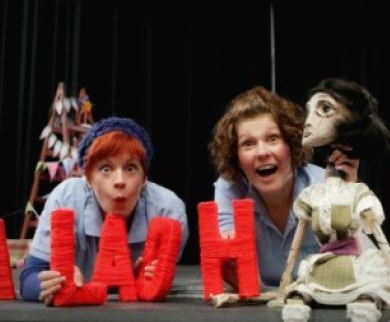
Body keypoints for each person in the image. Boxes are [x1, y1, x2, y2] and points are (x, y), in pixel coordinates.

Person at [19, 117, 189, 304]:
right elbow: (29, 277)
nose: (119, 181)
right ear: (89, 178)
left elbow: (158, 281)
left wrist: (145, 278)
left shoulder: (168, 210)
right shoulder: (66, 199)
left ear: (144, 179)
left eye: (130, 168)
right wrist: (50, 286)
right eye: (106, 169)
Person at [208, 86, 356, 287]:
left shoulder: (325, 184)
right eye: (248, 144)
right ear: (237, 159)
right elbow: (234, 269)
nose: (262, 152)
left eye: (273, 138)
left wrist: (346, 205)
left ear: (291, 146)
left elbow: (360, 267)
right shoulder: (230, 190)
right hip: (262, 303)